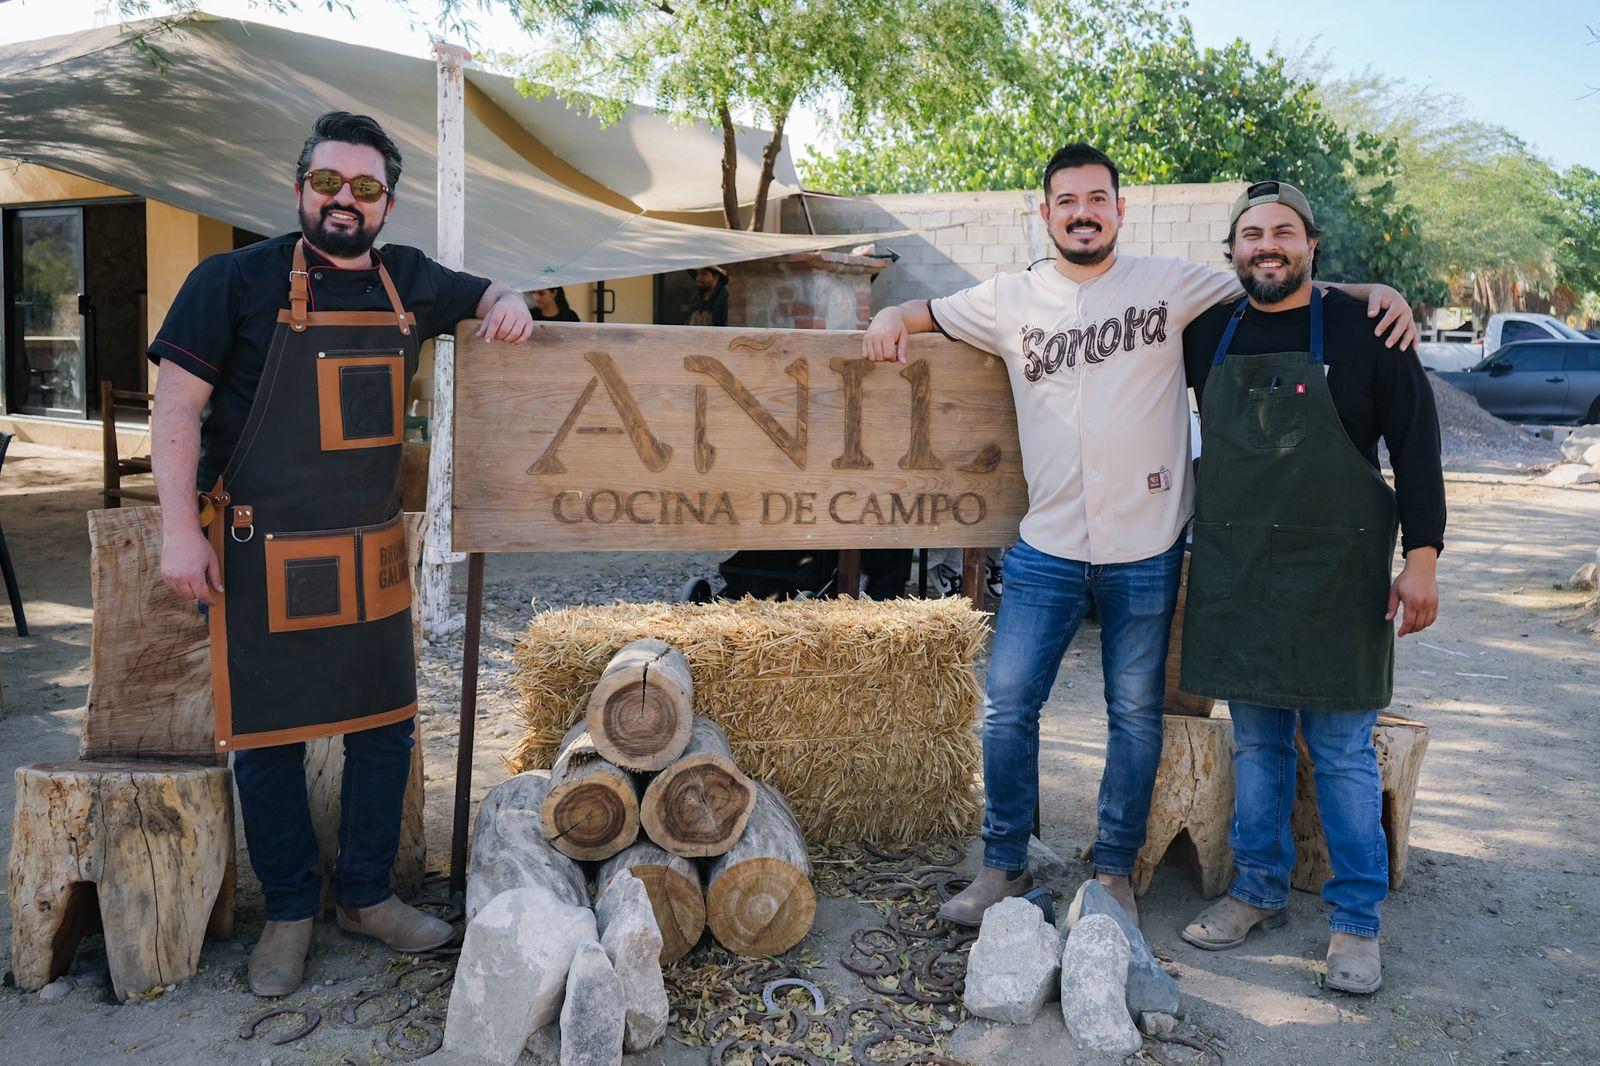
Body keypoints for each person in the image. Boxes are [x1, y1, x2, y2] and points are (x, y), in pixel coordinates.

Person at [862, 143, 1418, 928]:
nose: (1083, 212)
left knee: (1134, 716)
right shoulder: (1007, 298)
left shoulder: (1173, 283)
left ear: (1121, 210)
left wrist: (1377, 291)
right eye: (1067, 201)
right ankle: (1004, 864)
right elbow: (928, 311)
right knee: (1007, 709)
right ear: (1045, 213)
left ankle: (1116, 870)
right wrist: (890, 311)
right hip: (1048, 547)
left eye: (1098, 198)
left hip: (1147, 548)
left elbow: (1280, 280)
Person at [149, 111, 533, 997]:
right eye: (328, 183)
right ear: (300, 190)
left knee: (385, 726)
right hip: (256, 546)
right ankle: (288, 911)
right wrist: (178, 529)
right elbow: (176, 411)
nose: (344, 201)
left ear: (387, 203)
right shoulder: (232, 280)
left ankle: (365, 895)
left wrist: (507, 303)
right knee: (267, 739)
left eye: (364, 189)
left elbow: (488, 295)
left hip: (369, 550)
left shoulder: (410, 281)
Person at [1177, 181, 1443, 994]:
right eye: (1251, 233)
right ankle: (1257, 890)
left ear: (1312, 245)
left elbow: (1418, 442)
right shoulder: (1205, 332)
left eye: (1283, 231)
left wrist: (1424, 554)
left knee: (1339, 756)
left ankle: (1356, 922)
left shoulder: (1371, 330)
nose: (1267, 244)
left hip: (1339, 575)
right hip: (1240, 575)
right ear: (1231, 252)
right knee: (1256, 743)